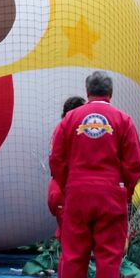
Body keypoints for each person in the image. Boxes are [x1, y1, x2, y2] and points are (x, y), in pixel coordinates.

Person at [49, 71, 140, 278]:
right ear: (111, 92)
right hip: (111, 195)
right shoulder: (123, 120)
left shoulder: (70, 119)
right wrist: (124, 192)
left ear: (87, 91)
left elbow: (56, 159)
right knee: (109, 257)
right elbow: (134, 163)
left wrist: (68, 187)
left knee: (73, 256)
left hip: (77, 194)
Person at [47, 96, 86, 240]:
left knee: (72, 239)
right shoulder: (70, 129)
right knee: (72, 240)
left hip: (60, 190)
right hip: (64, 191)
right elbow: (57, 161)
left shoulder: (64, 128)